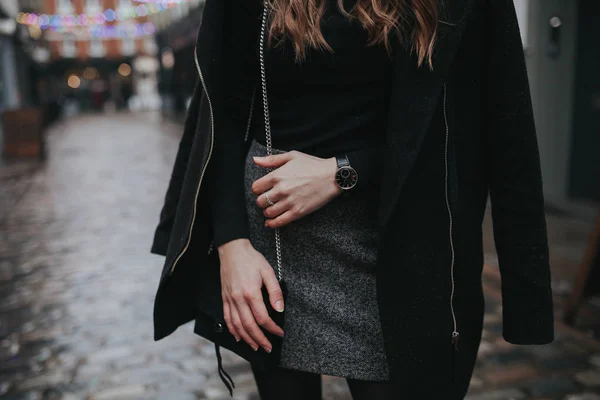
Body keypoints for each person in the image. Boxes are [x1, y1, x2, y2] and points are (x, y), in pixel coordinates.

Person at [149, 0, 555, 399]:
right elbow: (224, 111)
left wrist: (344, 171)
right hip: (273, 242)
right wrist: (231, 244)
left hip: (402, 245)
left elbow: (498, 130)